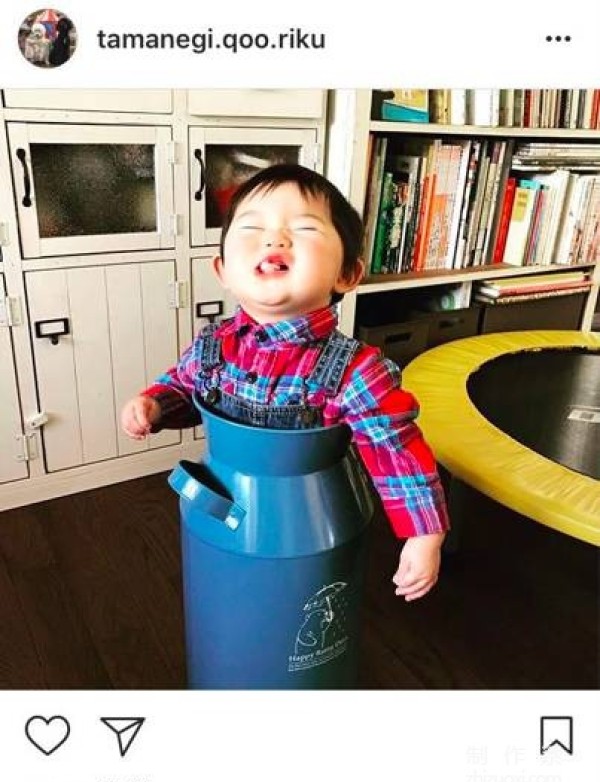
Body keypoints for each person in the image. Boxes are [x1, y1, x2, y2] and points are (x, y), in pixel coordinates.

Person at [121, 164, 449, 601]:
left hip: (312, 516)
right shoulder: (210, 345)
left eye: (304, 228)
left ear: (347, 275)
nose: (274, 239)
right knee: (227, 612)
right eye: (252, 228)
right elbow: (184, 386)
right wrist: (154, 405)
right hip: (222, 503)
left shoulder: (357, 370)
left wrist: (425, 534)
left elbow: (396, 449)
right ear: (222, 270)